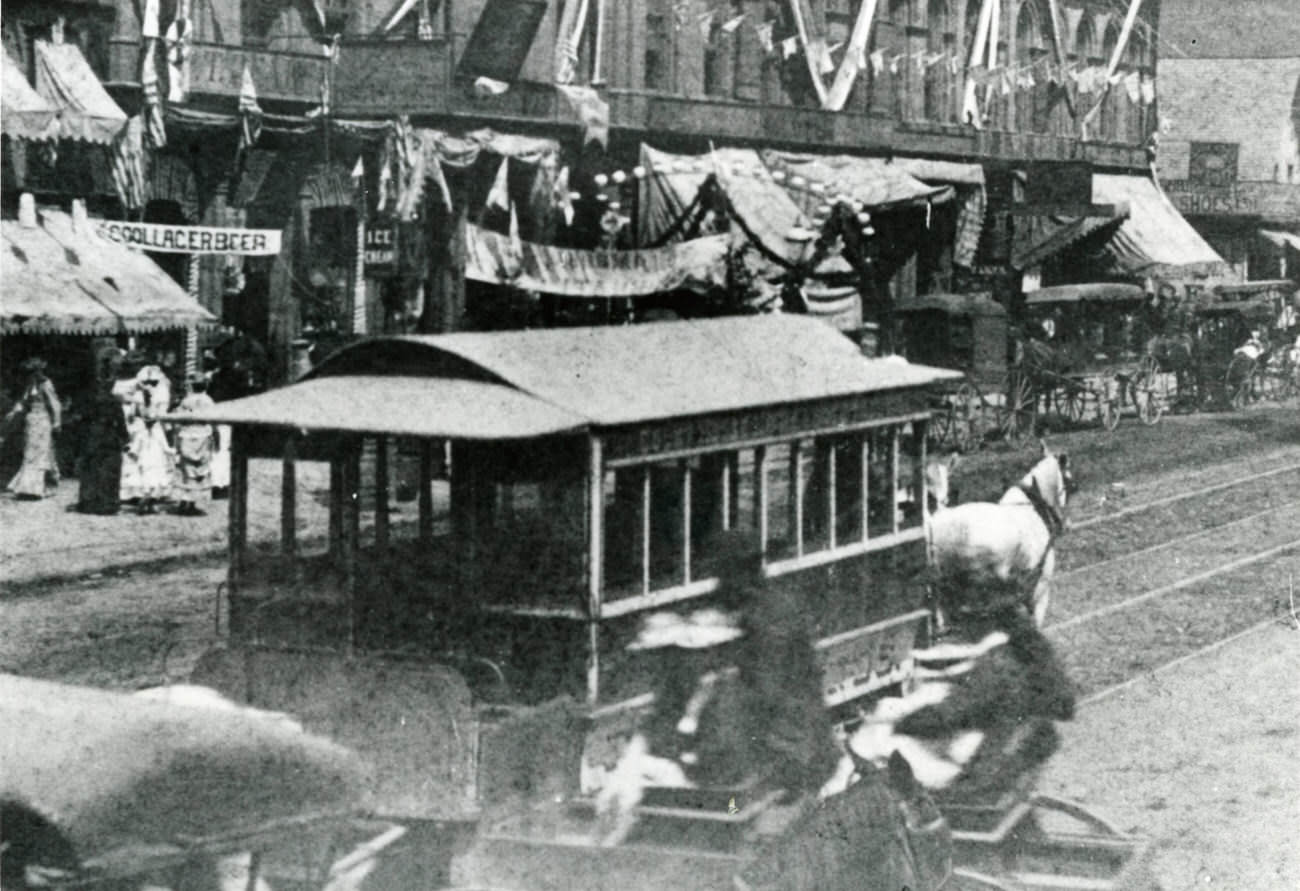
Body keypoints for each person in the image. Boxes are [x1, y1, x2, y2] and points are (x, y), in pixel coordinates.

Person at [74, 354, 131, 514]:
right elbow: (120, 422)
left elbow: (82, 418)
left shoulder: (90, 399)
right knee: (109, 469)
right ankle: (107, 503)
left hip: (92, 434)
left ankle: (88, 501)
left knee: (91, 467)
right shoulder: (113, 401)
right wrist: (125, 438)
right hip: (109, 435)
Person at [4, 358, 62, 499]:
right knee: (30, 454)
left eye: (32, 372)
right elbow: (24, 402)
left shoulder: (46, 384)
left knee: (42, 453)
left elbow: (55, 404)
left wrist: (56, 422)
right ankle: (28, 487)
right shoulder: (30, 385)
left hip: (43, 421)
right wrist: (13, 412)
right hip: (31, 422)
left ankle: (39, 487)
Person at [130, 364, 175, 514]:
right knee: (158, 462)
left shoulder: (137, 396)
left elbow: (133, 414)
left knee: (143, 462)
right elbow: (162, 415)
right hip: (155, 429)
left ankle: (144, 493)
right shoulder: (162, 394)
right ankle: (153, 495)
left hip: (142, 428)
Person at [172, 374, 217, 516]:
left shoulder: (186, 401)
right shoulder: (209, 401)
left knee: (186, 469)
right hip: (203, 433)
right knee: (200, 469)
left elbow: (179, 419)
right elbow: (213, 419)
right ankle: (191, 502)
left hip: (187, 433)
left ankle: (185, 501)